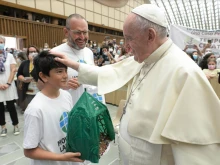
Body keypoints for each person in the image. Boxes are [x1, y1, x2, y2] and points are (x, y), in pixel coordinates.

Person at [52, 4, 220, 165]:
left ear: (150, 35)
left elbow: (195, 153)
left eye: (129, 39)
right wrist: (74, 65)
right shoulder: (147, 56)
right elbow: (112, 72)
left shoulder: (185, 73)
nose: (126, 47)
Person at [23, 51, 83, 165]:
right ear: (43, 76)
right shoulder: (35, 109)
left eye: (66, 70)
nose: (65, 76)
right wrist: (62, 157)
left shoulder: (66, 95)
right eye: (59, 72)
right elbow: (29, 151)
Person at [51, 13, 94, 105]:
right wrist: (63, 85)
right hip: (66, 109)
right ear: (66, 32)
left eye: (85, 32)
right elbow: (40, 84)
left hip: (87, 109)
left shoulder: (89, 52)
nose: (82, 37)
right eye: (77, 32)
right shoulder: (54, 53)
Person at [0, 35, 20, 136]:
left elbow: (13, 70)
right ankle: (3, 127)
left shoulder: (10, 56)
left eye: (1, 42)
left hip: (9, 84)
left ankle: (15, 125)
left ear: (4, 43)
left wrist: (8, 83)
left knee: (11, 106)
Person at [17, 45, 40, 113]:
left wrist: (34, 62)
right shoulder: (24, 63)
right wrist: (23, 79)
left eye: (34, 51)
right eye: (30, 52)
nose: (33, 53)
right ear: (27, 54)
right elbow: (19, 74)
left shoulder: (41, 63)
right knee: (31, 107)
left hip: (40, 88)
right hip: (28, 88)